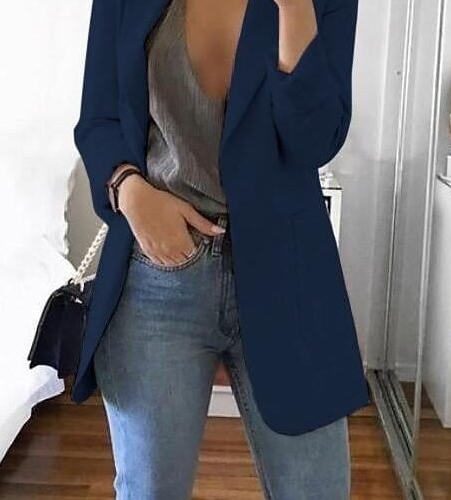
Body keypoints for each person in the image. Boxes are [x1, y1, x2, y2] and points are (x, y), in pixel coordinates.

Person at [75, 0, 362, 497]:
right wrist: (130, 190)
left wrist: (295, 10)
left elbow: (316, 140)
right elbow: (98, 120)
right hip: (159, 274)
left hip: (285, 275)